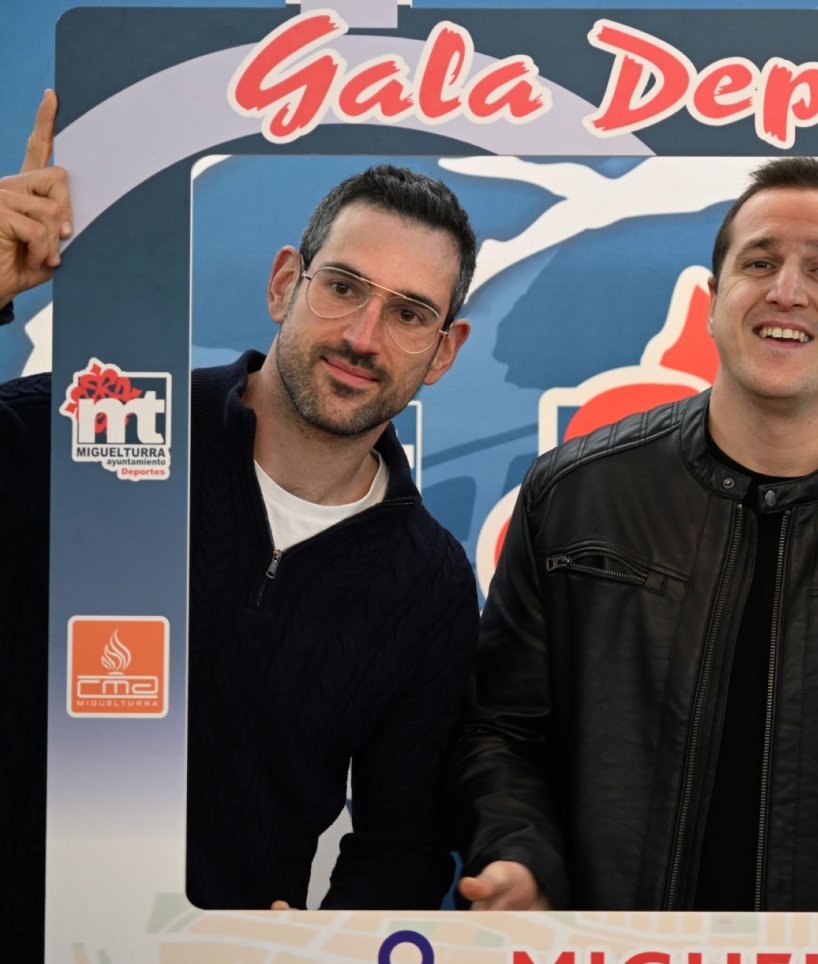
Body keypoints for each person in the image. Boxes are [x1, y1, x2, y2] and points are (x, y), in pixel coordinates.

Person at [451, 157, 818, 914]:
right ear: (711, 302)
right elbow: (501, 731)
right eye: (759, 262)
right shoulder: (574, 498)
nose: (785, 290)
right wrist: (518, 855)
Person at [0, 92, 480, 919]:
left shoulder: (428, 584)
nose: (363, 337)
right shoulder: (85, 431)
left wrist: (319, 956)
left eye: (409, 314)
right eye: (343, 287)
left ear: (443, 352)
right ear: (284, 283)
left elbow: (402, 845)